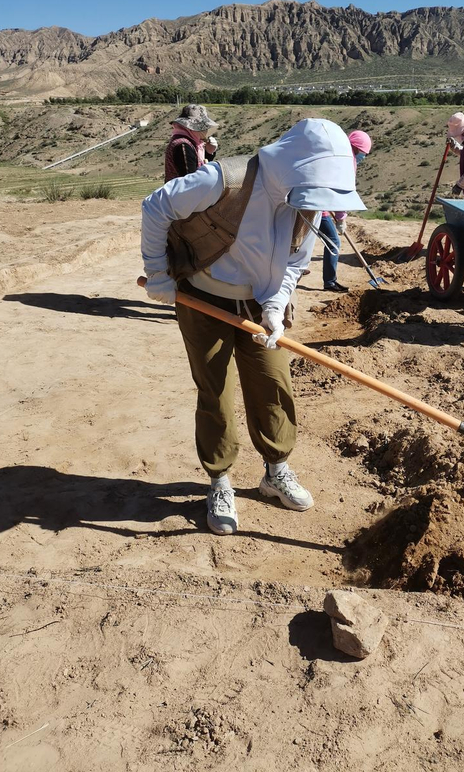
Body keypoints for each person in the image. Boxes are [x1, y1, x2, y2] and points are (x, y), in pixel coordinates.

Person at [141, 118, 366, 535]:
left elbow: (296, 261)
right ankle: (220, 480)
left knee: (273, 383)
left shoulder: (308, 200)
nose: (312, 204)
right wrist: (156, 273)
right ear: (291, 166)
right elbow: (156, 206)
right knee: (216, 390)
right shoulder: (224, 180)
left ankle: (275, 471)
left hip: (259, 302)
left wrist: (276, 307)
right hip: (204, 297)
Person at [320, 129, 372, 292]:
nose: (362, 156)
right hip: (318, 207)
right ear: (356, 148)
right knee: (333, 241)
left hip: (312, 201)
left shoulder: (335, 152)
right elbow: (342, 190)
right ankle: (330, 282)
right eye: (362, 153)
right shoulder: (348, 160)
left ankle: (297, 269)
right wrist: (341, 218)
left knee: (302, 240)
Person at [164, 104, 219, 183]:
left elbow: (196, 163)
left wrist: (208, 152)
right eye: (203, 127)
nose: (206, 130)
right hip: (180, 194)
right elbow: (190, 181)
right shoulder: (183, 146)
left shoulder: (191, 142)